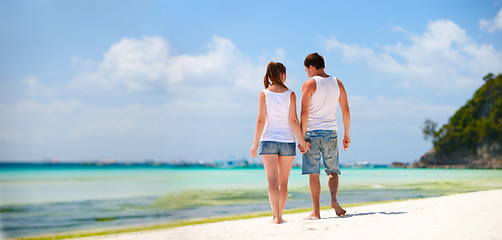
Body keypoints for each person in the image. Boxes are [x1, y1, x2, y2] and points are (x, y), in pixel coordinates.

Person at [250, 62, 310, 224]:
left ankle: (275, 217)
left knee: (272, 182)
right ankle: (280, 216)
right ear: (283, 75)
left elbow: (261, 120)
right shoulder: (290, 94)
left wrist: (255, 143)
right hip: (287, 142)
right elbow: (293, 120)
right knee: (283, 183)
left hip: (268, 140)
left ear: (270, 75)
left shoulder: (264, 93)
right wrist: (302, 142)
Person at [299, 53, 351, 220]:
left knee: (314, 173)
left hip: (312, 133)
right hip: (331, 133)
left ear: (312, 67)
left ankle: (316, 212)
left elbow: (304, 113)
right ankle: (334, 200)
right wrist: (346, 134)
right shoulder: (338, 83)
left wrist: (301, 137)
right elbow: (345, 110)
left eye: (307, 69)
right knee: (332, 170)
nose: (306, 73)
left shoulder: (309, 84)